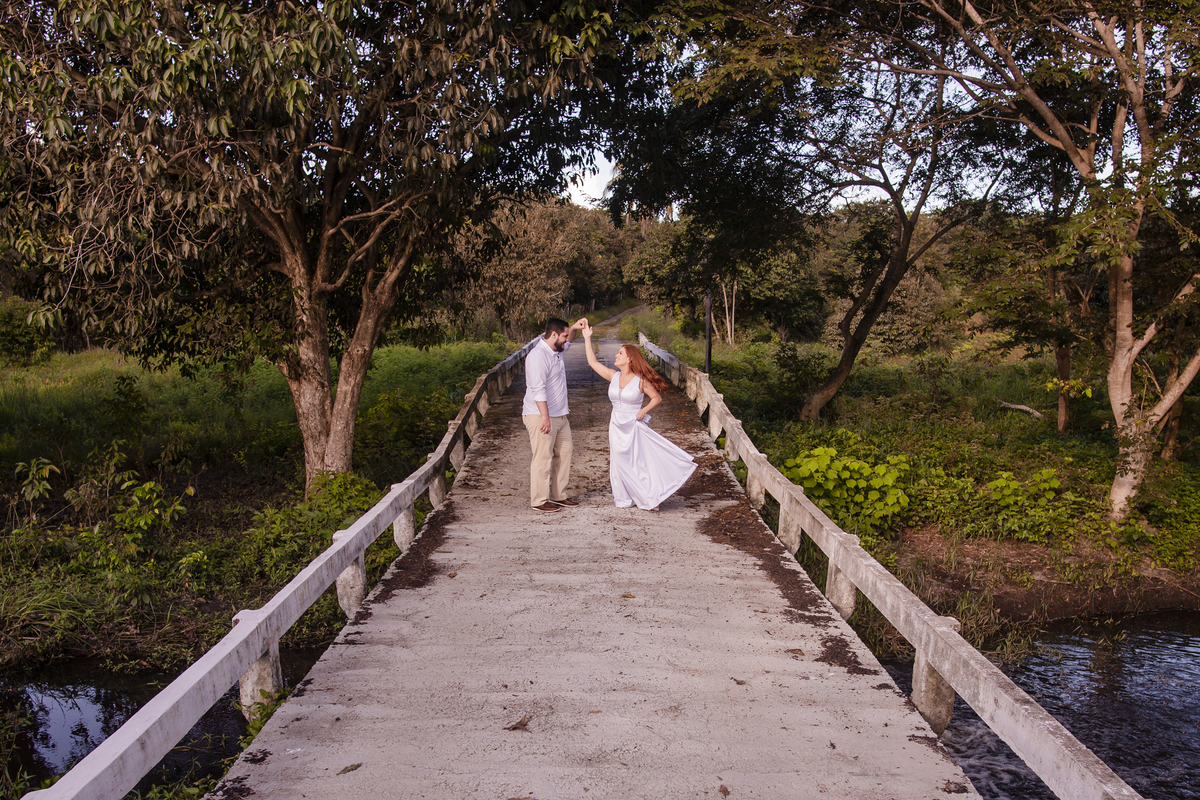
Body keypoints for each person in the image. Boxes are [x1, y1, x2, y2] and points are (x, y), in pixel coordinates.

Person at [579, 322, 696, 511]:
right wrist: (587, 339)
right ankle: (624, 498)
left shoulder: (640, 381)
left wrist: (644, 410)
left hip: (633, 424)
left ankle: (649, 497)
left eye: (620, 353)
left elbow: (657, 398)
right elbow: (593, 363)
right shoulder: (613, 376)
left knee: (637, 462)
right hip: (616, 425)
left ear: (630, 359)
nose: (616, 356)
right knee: (619, 462)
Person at [522, 317, 588, 512]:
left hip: (560, 415)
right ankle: (539, 500)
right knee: (543, 457)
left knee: (565, 453)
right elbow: (537, 388)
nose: (567, 340)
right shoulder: (538, 356)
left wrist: (574, 327)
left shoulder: (555, 350)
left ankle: (559, 495)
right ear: (553, 335)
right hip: (540, 415)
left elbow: (569, 342)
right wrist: (544, 416)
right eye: (564, 336)